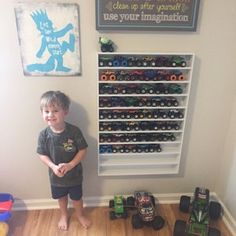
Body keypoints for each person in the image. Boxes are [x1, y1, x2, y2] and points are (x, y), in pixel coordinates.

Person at [37, 90, 91, 231]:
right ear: (42, 113)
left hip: (74, 176)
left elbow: (83, 150)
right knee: (61, 198)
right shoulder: (43, 135)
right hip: (56, 177)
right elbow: (42, 154)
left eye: (55, 110)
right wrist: (53, 167)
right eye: (46, 111)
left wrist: (71, 164)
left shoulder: (74, 131)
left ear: (65, 111)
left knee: (77, 198)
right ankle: (64, 215)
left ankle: (80, 215)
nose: (50, 115)